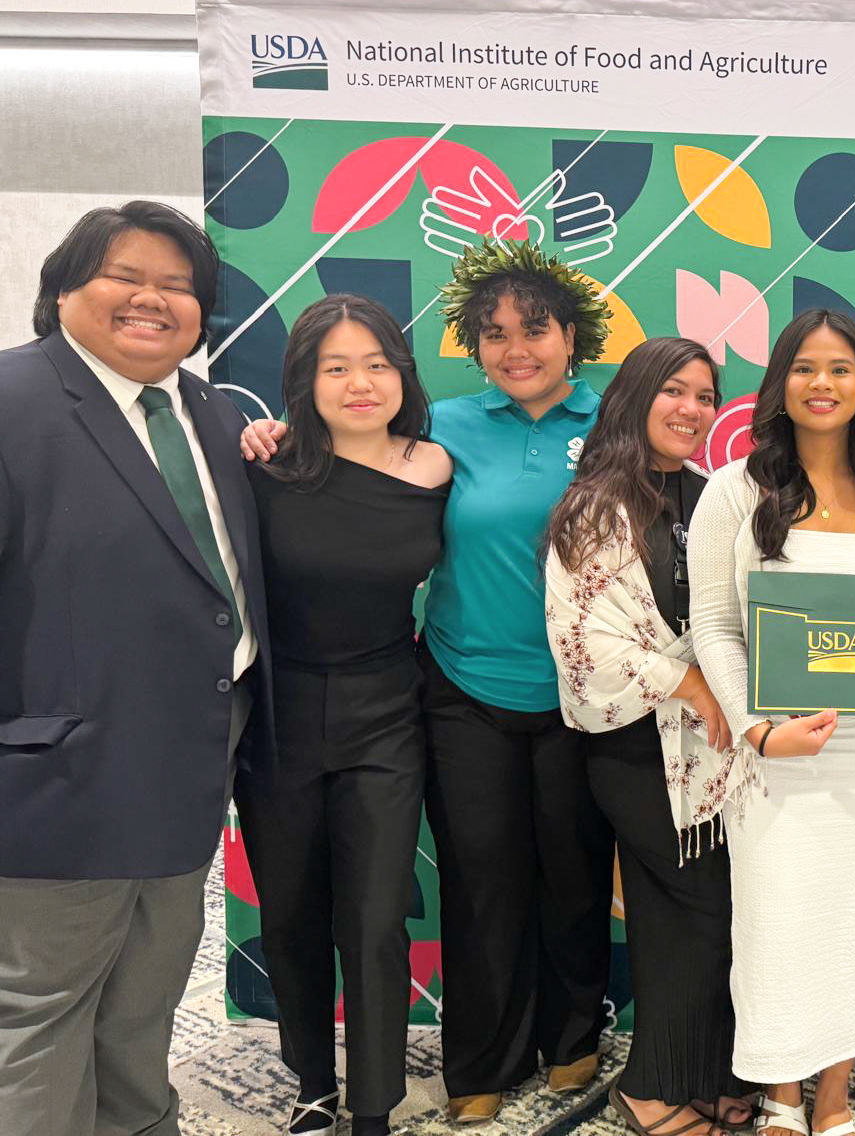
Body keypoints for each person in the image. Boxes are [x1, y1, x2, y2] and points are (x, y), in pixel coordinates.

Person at [243, 239, 614, 1123]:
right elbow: (348, 460)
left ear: (573, 336)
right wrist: (276, 430)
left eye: (534, 331)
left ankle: (570, 1045)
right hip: (454, 689)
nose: (515, 348)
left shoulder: (614, 425)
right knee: (478, 884)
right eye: (493, 334)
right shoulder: (444, 427)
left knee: (571, 879)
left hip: (581, 694)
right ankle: (475, 1067)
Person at [0, 201, 274, 1136]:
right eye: (128, 275)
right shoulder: (13, 400)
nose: (155, 299)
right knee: (42, 1010)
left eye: (179, 286)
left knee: (141, 1003)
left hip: (191, 761)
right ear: (64, 288)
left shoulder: (209, 408)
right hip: (57, 774)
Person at [687, 309, 855, 1136]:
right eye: (805, 367)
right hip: (775, 754)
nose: (822, 383)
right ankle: (779, 1095)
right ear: (779, 384)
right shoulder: (735, 489)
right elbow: (714, 626)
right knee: (775, 924)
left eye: (840, 369)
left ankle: (837, 1095)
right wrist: (757, 730)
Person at [235, 294, 451, 1136]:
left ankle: (371, 1107)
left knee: (373, 918)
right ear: (304, 381)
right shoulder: (263, 464)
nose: (359, 384)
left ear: (402, 373)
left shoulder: (436, 467)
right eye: (336, 368)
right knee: (289, 911)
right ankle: (311, 1085)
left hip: (387, 710)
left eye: (377, 364)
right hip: (280, 714)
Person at [546, 336, 755, 1136]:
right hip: (638, 749)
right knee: (692, 914)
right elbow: (582, 641)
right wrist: (691, 680)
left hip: (713, 748)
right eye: (675, 390)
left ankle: (704, 1076)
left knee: (705, 915)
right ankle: (652, 1088)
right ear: (636, 396)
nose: (693, 409)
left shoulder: (713, 499)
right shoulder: (596, 505)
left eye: (705, 396)